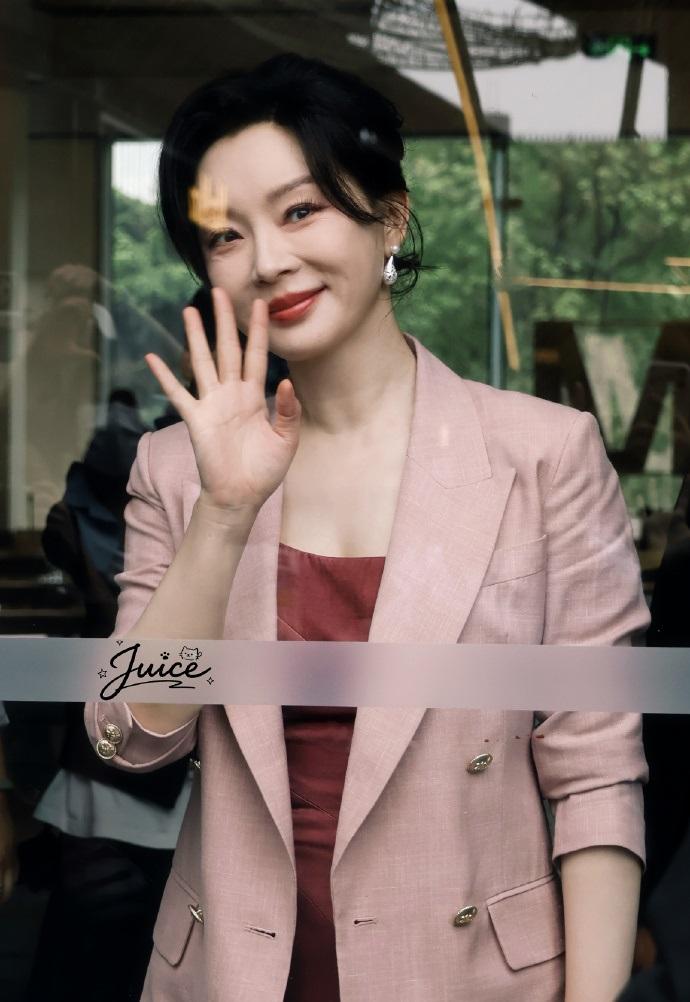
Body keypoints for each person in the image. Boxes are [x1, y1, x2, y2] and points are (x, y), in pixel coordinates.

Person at [85, 54, 649, 1002]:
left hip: (472, 977)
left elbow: (595, 774)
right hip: (232, 975)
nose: (269, 260)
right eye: (226, 235)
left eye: (301, 210)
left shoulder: (544, 454)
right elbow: (132, 739)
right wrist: (224, 514)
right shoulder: (177, 471)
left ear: (389, 217)